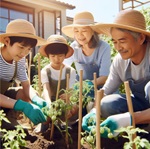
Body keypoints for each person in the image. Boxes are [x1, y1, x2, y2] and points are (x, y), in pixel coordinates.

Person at [82, 9, 150, 139]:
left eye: (122, 41)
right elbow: (106, 90)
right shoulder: (120, 62)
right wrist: (94, 111)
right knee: (107, 103)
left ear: (141, 38)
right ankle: (140, 132)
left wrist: (128, 119)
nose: (118, 47)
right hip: (141, 106)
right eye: (114, 41)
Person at [0, 19, 49, 126]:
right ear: (7, 41)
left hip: (3, 96)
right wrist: (22, 105)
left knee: (25, 94)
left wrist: (36, 99)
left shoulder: (19, 60)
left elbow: (26, 85)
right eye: (21, 47)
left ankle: (10, 117)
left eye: (28, 49)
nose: (24, 53)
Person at [62, 11, 111, 89]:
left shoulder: (104, 47)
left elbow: (104, 77)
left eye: (84, 31)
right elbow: (63, 66)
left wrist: (83, 86)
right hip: (81, 90)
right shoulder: (74, 47)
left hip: (102, 89)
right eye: (76, 31)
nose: (80, 35)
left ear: (92, 31)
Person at [39, 34, 76, 103]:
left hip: (66, 102)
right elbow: (46, 89)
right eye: (53, 56)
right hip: (50, 100)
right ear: (48, 56)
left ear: (65, 55)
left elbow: (71, 89)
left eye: (60, 56)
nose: (56, 59)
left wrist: (68, 95)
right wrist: (48, 104)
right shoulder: (45, 71)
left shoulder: (70, 71)